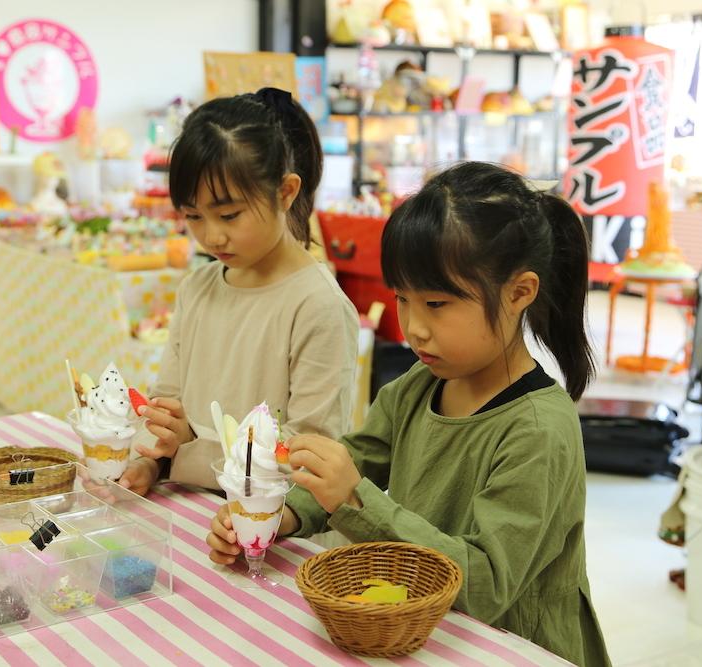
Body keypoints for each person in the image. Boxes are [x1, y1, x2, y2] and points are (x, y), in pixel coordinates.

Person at [207, 162, 611, 666]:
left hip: (511, 646)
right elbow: (353, 461)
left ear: (519, 292)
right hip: (420, 629)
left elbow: (485, 586)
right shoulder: (417, 388)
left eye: (437, 303)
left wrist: (355, 497)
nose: (414, 327)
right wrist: (280, 516)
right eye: (402, 299)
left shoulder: (537, 429)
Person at [121, 87, 359, 494]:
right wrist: (149, 460)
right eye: (194, 216)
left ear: (285, 192)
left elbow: (305, 462)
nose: (212, 236)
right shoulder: (197, 288)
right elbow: (167, 405)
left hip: (269, 531)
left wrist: (187, 452)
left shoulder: (317, 306)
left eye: (229, 215)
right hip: (190, 512)